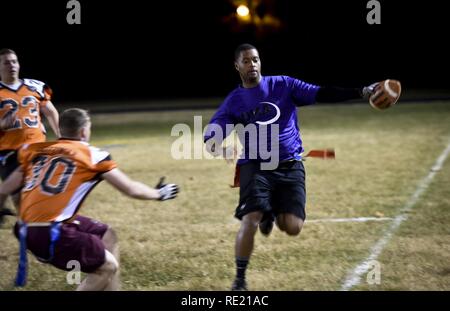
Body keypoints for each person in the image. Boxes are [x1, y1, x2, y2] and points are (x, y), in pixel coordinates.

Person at [204, 43, 379, 291]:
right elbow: (211, 136)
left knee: (293, 227)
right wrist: (220, 148)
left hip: (290, 164)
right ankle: (240, 280)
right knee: (250, 218)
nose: (251, 64)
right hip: (256, 166)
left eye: (255, 59)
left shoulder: (283, 85)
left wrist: (361, 91)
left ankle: (271, 213)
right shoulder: (234, 101)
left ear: (260, 62)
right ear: (237, 66)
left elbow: (321, 93)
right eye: (245, 61)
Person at [0, 108, 179, 290]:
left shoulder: (34, 150)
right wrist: (159, 194)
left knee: (107, 235)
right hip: (50, 232)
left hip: (24, 228)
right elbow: (131, 189)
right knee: (107, 267)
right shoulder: (92, 155)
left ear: (60, 130)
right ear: (84, 131)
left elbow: (4, 189)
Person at [0, 48, 60, 222]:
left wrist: (60, 135)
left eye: (14, 61)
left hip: (37, 148)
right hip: (9, 152)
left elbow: (51, 112)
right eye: (6, 62)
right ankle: (28, 233)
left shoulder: (35, 86)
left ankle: (40, 228)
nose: (11, 65)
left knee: (42, 192)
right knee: (19, 197)